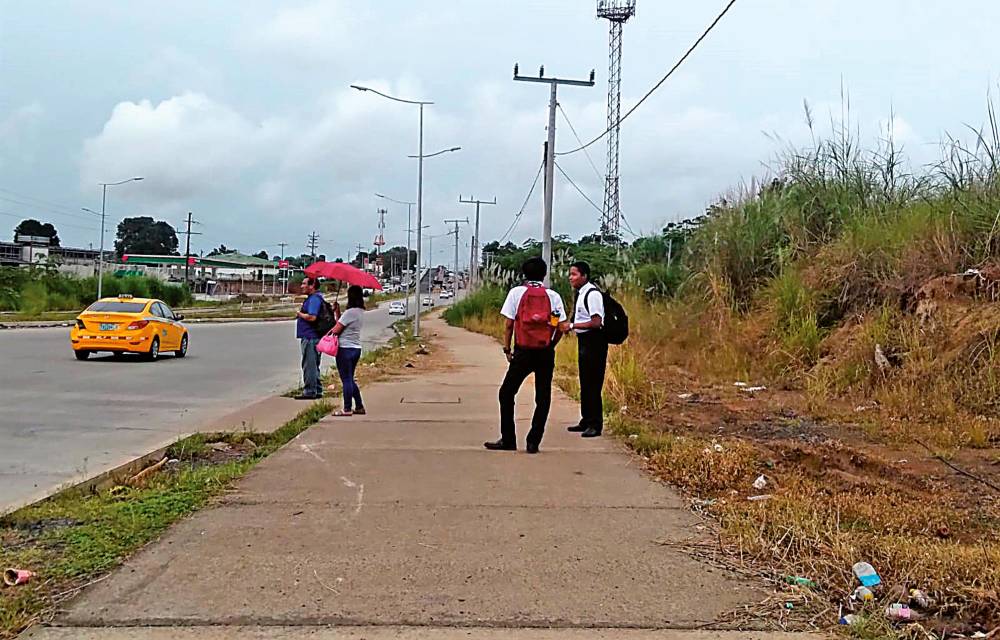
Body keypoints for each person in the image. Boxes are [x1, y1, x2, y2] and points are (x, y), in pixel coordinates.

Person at [485, 257, 567, 454]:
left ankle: (508, 439)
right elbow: (560, 326)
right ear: (544, 274)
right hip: (545, 352)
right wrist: (551, 344)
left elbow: (509, 324)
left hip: (523, 351)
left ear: (524, 273)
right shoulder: (553, 296)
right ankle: (533, 441)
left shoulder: (516, 293)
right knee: (543, 396)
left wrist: (507, 349)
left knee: (506, 393)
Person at [562, 261, 606, 438]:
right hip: (585, 341)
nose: (570, 278)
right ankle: (586, 419)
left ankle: (595, 424)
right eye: (570, 274)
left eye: (574, 274)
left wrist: (572, 325)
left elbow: (596, 322)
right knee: (585, 382)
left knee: (593, 383)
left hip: (594, 342)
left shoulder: (592, 294)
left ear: (584, 276)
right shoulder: (582, 293)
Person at [329, 285, 367, 417]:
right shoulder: (360, 312)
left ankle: (347, 408)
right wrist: (337, 311)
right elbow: (342, 323)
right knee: (350, 379)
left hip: (344, 349)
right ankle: (359, 405)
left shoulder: (350, 312)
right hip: (356, 348)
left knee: (346, 379)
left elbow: (336, 330)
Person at [295, 277, 325, 400]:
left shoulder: (314, 300)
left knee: (309, 365)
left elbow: (312, 317)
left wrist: (299, 314)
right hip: (312, 337)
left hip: (311, 337)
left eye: (304, 283)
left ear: (312, 285)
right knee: (313, 365)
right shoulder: (315, 298)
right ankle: (316, 389)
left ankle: (310, 391)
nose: (301, 286)